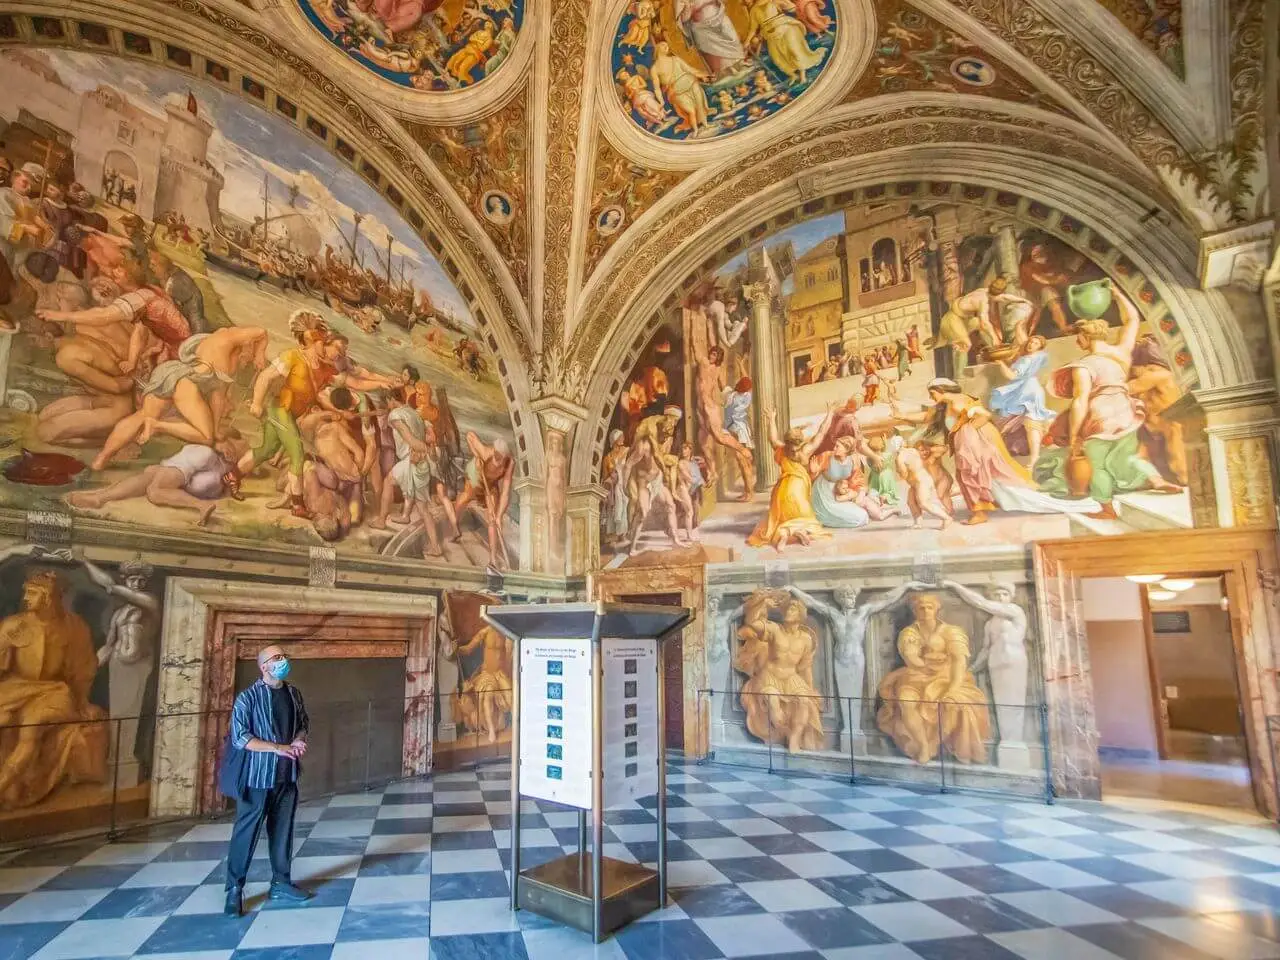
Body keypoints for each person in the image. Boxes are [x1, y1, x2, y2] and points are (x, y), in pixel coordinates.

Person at [1034, 289, 1183, 515]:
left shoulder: (1083, 366)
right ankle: (1156, 479)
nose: (1077, 340)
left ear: (1085, 337)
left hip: (1100, 415)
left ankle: (1106, 509)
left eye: (1079, 337)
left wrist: (1075, 435)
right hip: (1125, 411)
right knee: (1130, 454)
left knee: (1098, 466)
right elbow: (1131, 318)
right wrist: (1116, 293)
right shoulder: (1121, 353)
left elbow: (1080, 401)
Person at [224, 644, 312, 917]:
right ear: (264, 666)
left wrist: (298, 740)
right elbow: (240, 738)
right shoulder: (247, 698)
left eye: (284, 656)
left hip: (287, 774)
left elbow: (303, 723)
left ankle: (281, 882)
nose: (283, 660)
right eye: (277, 657)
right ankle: (234, 889)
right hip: (257, 776)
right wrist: (277, 748)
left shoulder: (293, 694)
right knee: (246, 832)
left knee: (283, 830)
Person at [876, 593, 991, 764]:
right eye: (921, 607)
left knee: (952, 703)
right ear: (915, 611)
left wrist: (952, 688)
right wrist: (925, 665)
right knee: (906, 701)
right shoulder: (909, 632)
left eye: (929, 607)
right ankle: (922, 746)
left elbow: (959, 662)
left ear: (937, 609)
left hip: (947, 677)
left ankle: (937, 744)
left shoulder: (952, 631)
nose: (925, 610)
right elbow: (910, 657)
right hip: (914, 677)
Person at [746, 405, 834, 550]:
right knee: (806, 519)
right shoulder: (806, 450)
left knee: (781, 521)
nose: (794, 449)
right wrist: (830, 413)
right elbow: (822, 432)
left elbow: (772, 438)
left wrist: (772, 419)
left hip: (783, 491)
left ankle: (786, 535)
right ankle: (797, 531)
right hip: (798, 489)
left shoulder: (782, 449)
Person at [988, 335, 1053, 465]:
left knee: (1031, 424)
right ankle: (1035, 455)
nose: (1031, 344)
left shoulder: (1026, 360)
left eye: (1035, 343)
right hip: (1033, 389)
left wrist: (1000, 362)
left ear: (1040, 347)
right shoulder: (1040, 357)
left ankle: (1034, 458)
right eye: (1030, 342)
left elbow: (1011, 376)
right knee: (1031, 423)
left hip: (1026, 392)